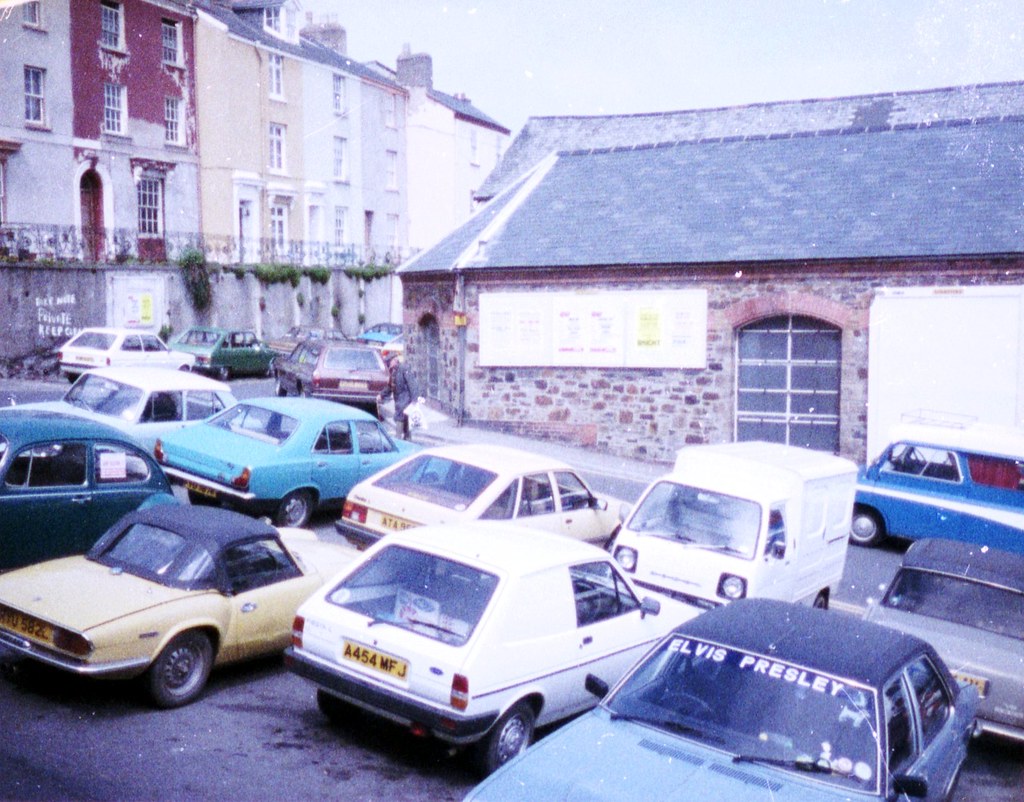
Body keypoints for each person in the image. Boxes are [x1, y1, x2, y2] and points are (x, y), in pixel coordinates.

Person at [387, 354, 416, 439]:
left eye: (390, 362)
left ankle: (398, 438)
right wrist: (382, 395)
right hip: (399, 399)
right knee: (405, 419)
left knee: (399, 416)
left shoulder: (404, 369)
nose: (389, 363)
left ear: (395, 360)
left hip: (405, 398)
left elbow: (412, 384)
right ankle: (407, 438)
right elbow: (390, 386)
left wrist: (414, 399)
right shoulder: (393, 371)